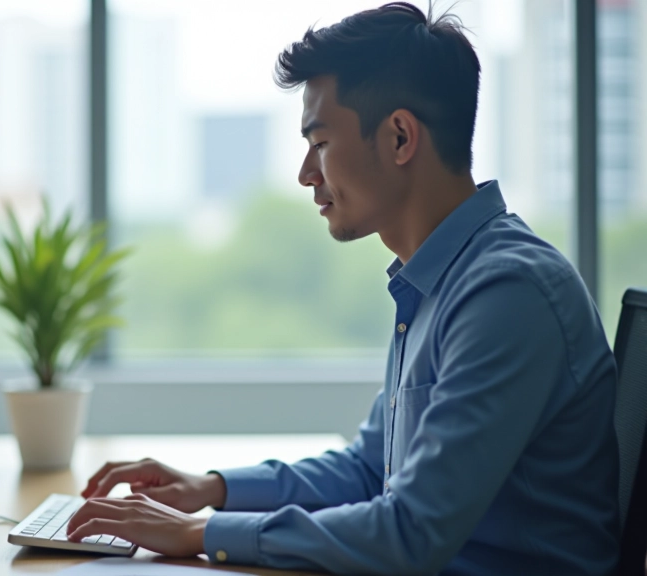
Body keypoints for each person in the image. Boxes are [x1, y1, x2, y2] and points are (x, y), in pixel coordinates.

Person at [64, 2, 621, 574]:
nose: (306, 172)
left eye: (321, 142)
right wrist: (212, 489)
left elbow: (410, 531)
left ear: (401, 137)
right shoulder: (436, 283)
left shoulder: (509, 294)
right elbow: (368, 469)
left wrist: (201, 533)